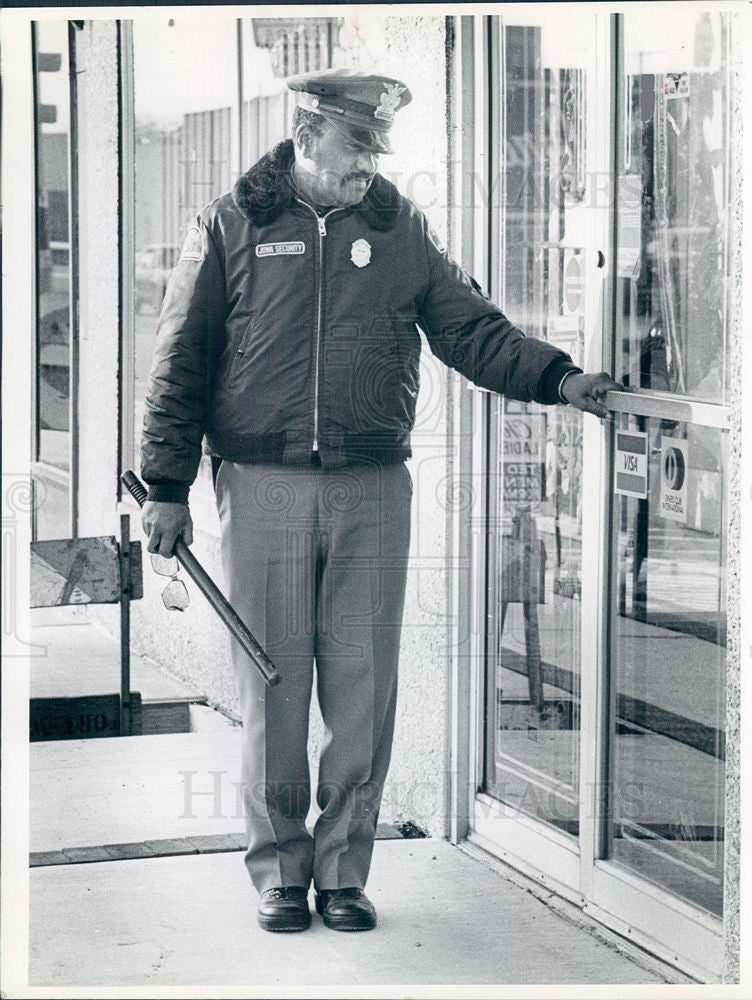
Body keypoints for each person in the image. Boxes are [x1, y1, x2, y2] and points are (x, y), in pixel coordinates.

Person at [140, 69, 618, 934]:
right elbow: (181, 359)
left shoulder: (397, 232)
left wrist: (560, 377)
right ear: (306, 132)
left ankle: (342, 873)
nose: (369, 164)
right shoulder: (231, 221)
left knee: (362, 689)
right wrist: (166, 485)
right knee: (273, 684)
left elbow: (471, 328)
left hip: (371, 486)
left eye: (376, 148)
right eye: (356, 144)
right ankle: (281, 871)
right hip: (263, 482)